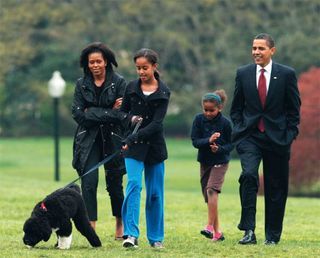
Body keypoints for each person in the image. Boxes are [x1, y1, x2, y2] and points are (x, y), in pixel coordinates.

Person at [230, 33, 301, 245]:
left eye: (261, 48)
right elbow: (236, 109)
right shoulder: (243, 73)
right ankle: (248, 231)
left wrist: (289, 135)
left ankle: (272, 236)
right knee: (249, 176)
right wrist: (240, 130)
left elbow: (293, 110)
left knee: (276, 187)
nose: (256, 52)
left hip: (278, 139)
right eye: (254, 48)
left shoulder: (287, 74)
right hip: (250, 137)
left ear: (272, 50)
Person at [71, 42, 130, 239]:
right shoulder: (81, 84)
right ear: (87, 65)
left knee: (114, 184)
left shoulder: (120, 83)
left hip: (113, 139)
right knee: (89, 183)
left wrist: (93, 112)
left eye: (98, 61)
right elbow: (78, 115)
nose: (95, 65)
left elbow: (121, 114)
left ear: (106, 62)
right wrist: (109, 111)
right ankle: (91, 228)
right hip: (88, 140)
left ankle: (120, 223)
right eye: (91, 62)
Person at [120, 48, 170, 249]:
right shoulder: (131, 88)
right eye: (138, 68)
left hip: (154, 147)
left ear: (154, 67)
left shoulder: (163, 92)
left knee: (155, 193)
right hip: (133, 147)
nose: (141, 72)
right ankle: (130, 234)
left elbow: (157, 124)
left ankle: (156, 238)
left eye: (145, 68)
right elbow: (121, 115)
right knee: (133, 185)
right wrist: (130, 119)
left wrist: (135, 136)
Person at [191, 90, 233, 242]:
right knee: (209, 198)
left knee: (211, 190)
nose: (208, 113)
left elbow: (230, 145)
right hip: (204, 162)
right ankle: (217, 233)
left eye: (212, 110)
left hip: (220, 162)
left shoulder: (226, 124)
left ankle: (208, 226)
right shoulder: (198, 120)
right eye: (205, 110)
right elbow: (195, 141)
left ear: (220, 108)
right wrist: (208, 140)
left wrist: (219, 149)